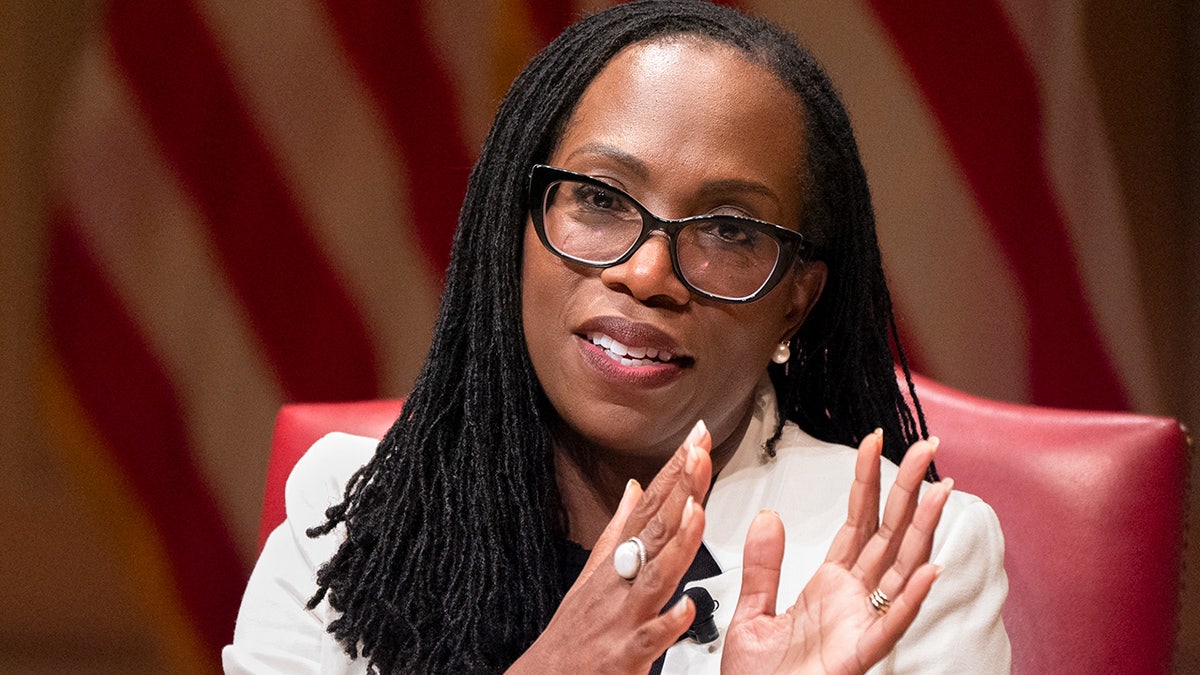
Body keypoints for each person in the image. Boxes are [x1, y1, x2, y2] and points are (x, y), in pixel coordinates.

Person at [223, 1, 1009, 672]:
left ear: (796, 303)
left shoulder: (901, 562)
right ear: (516, 226)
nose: (647, 271)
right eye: (599, 199)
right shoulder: (355, 512)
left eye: (729, 228)